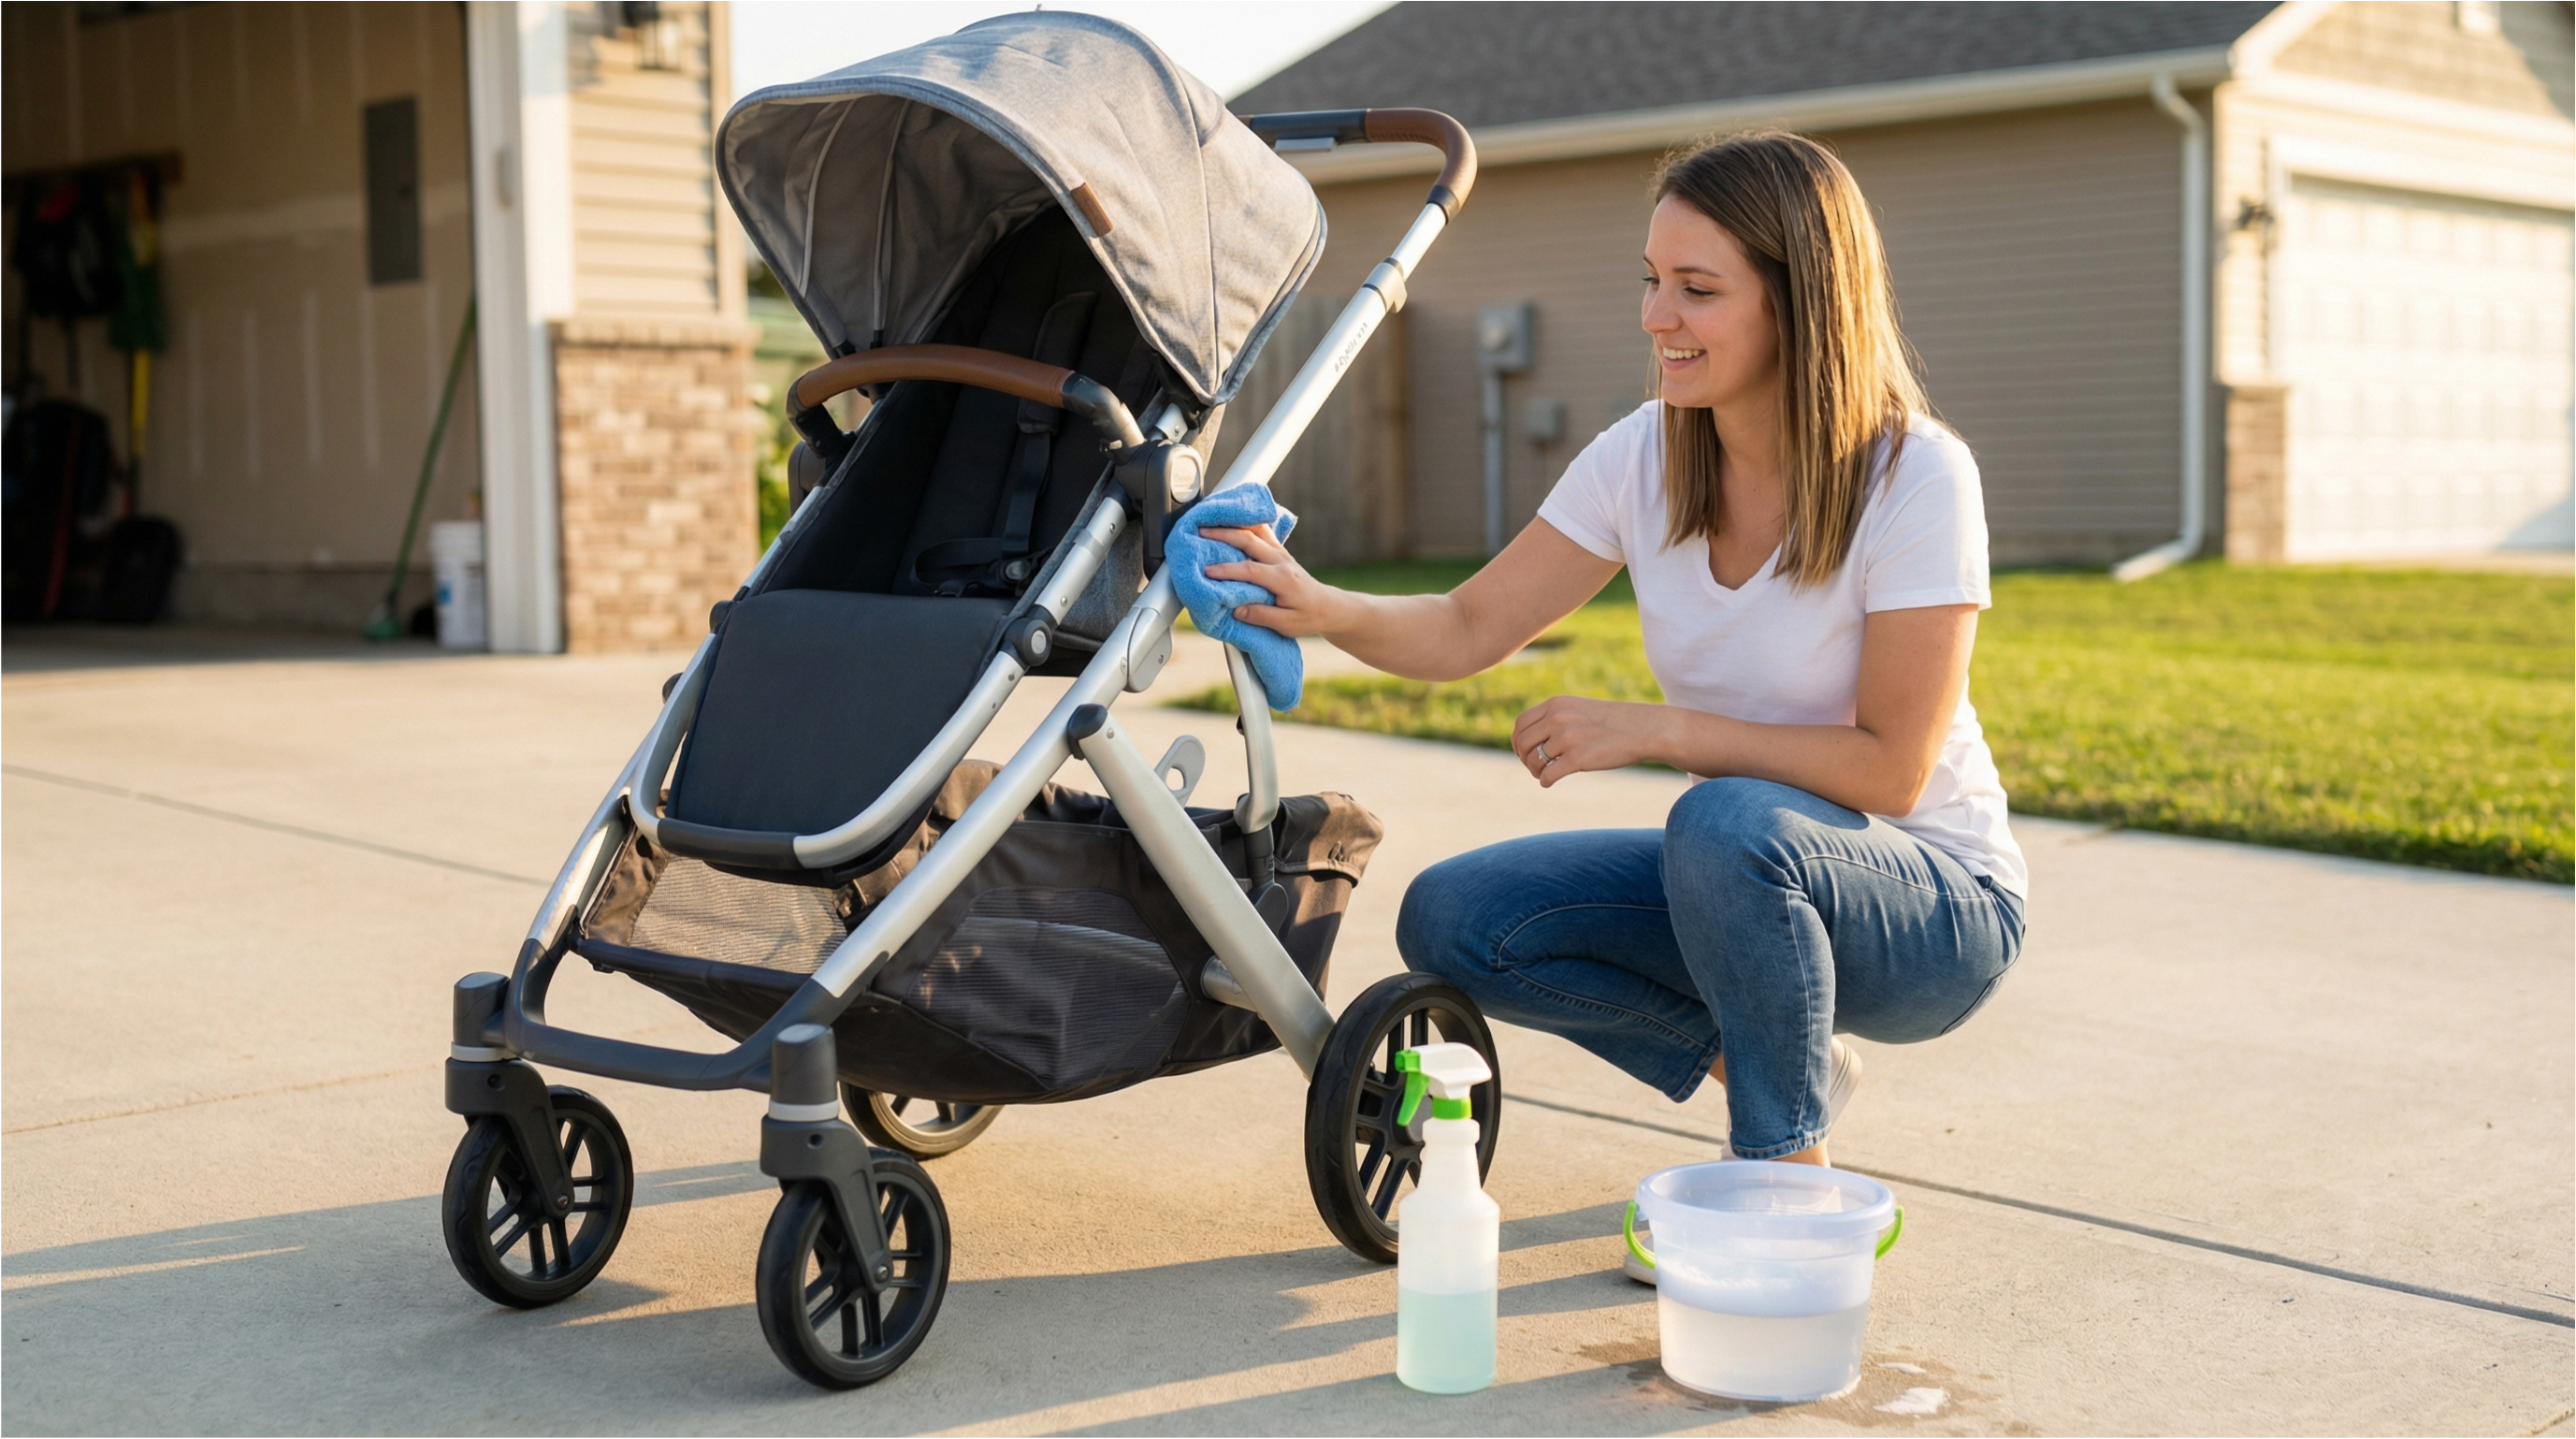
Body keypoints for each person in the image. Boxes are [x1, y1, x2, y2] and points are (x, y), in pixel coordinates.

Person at [1204, 132, 2027, 1221]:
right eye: (1651, 281)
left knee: (1724, 821)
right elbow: (1465, 623)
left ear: (1802, 301)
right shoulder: (1647, 455)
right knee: (1460, 917)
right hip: (1749, 879)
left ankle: (1785, 1184)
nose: (1656, 317)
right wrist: (1319, 606)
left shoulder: (1915, 474)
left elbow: (1890, 767)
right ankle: (1785, 1073)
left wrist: (1660, 729)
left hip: (1934, 911)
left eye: (1697, 288)